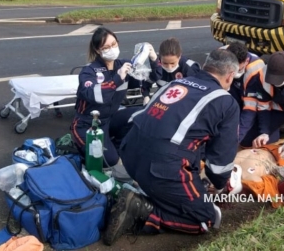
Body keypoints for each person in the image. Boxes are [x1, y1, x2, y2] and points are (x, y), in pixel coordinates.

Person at [102, 48, 240, 246]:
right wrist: (219, 184)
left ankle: (155, 194)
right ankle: (143, 210)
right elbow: (220, 164)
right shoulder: (226, 102)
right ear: (230, 76)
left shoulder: (176, 82)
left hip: (131, 155)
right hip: (161, 167)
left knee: (184, 152)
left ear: (205, 66)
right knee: (207, 219)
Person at [70, 27, 159, 178]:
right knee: (108, 160)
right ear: (98, 50)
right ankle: (88, 149)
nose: (111, 49)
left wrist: (153, 59)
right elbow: (93, 94)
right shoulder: (89, 71)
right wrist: (117, 79)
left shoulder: (123, 65)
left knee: (142, 113)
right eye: (106, 47)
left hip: (110, 119)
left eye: (113, 44)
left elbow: (150, 80)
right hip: (87, 124)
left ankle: (115, 145)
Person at [222, 42, 282, 147]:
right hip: (236, 94)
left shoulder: (256, 71)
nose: (234, 72)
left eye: (238, 69)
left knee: (248, 140)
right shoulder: (221, 54)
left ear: (246, 61)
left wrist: (236, 138)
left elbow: (250, 109)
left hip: (257, 103)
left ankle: (278, 129)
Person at [140, 37, 201, 105]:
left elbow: (196, 92)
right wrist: (146, 96)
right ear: (160, 57)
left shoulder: (189, 68)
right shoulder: (155, 65)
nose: (169, 67)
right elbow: (145, 83)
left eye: (172, 63)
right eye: (165, 63)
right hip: (162, 98)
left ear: (179, 57)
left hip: (184, 101)